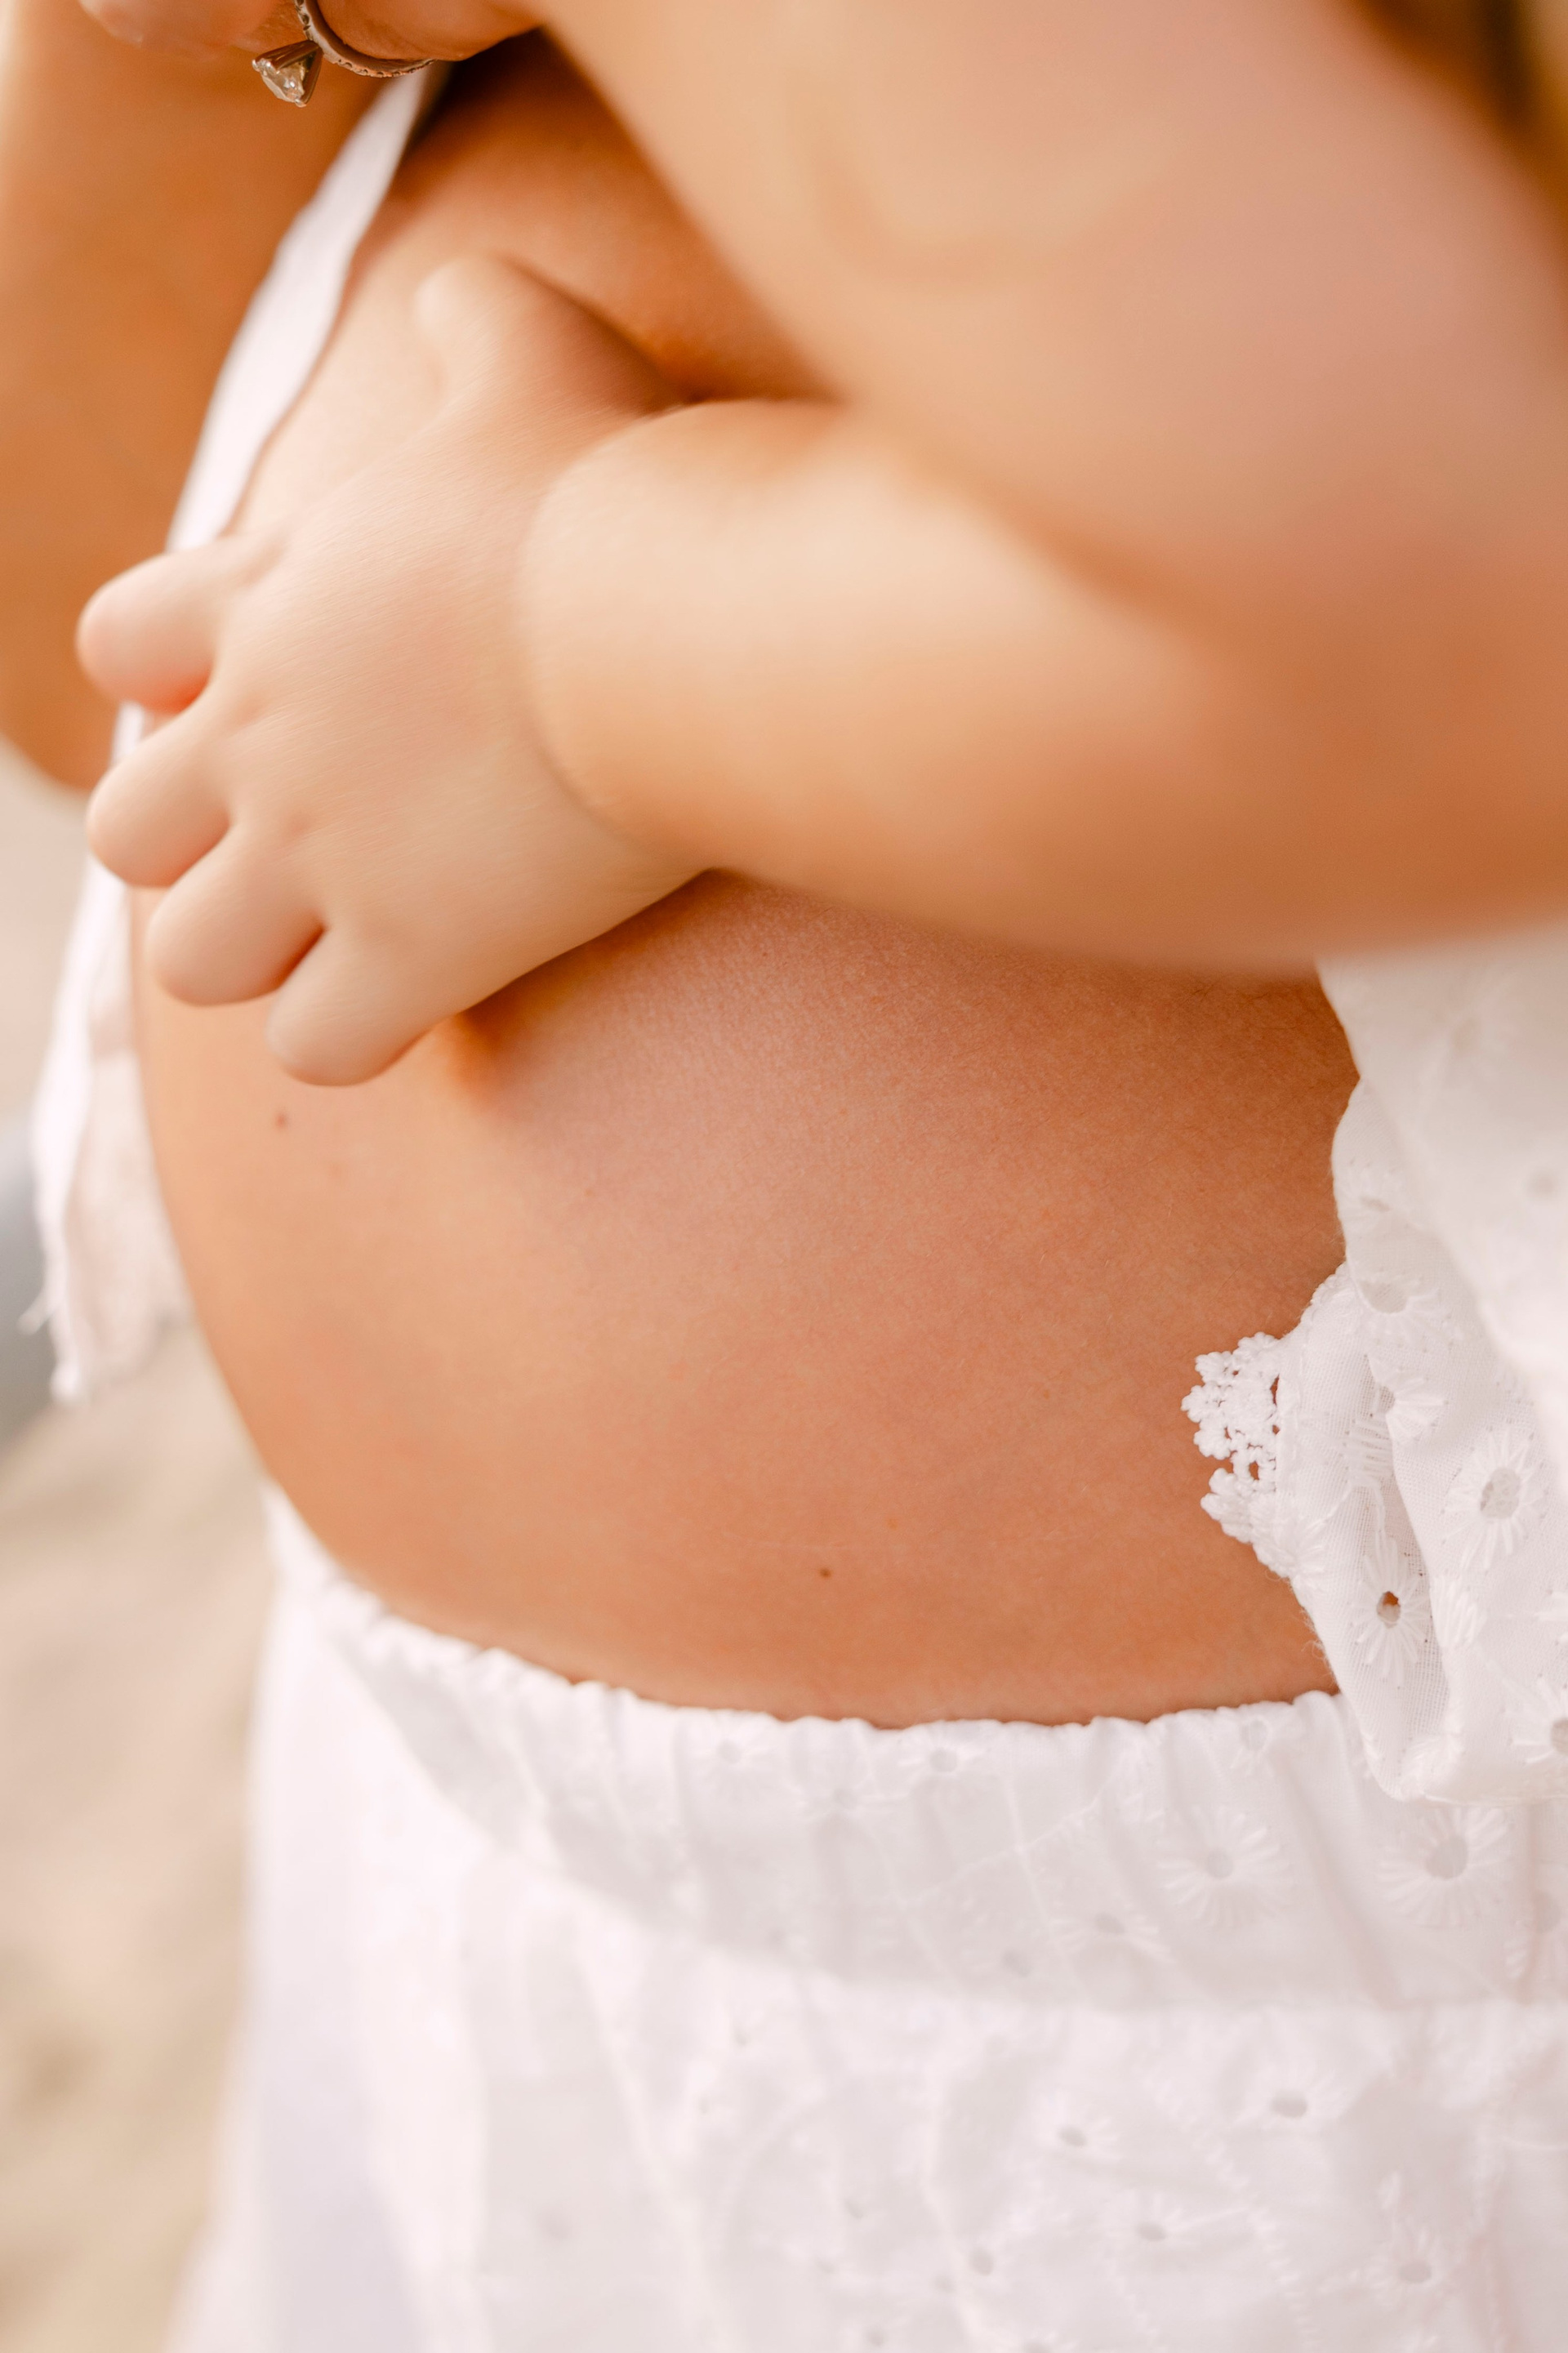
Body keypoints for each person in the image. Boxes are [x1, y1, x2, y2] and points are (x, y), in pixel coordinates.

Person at [7, 3, 1568, 2343]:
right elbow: (109, 666)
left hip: (1286, 2020)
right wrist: (180, 54)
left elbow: (1424, 645)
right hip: (492, 1916)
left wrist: (570, 641)